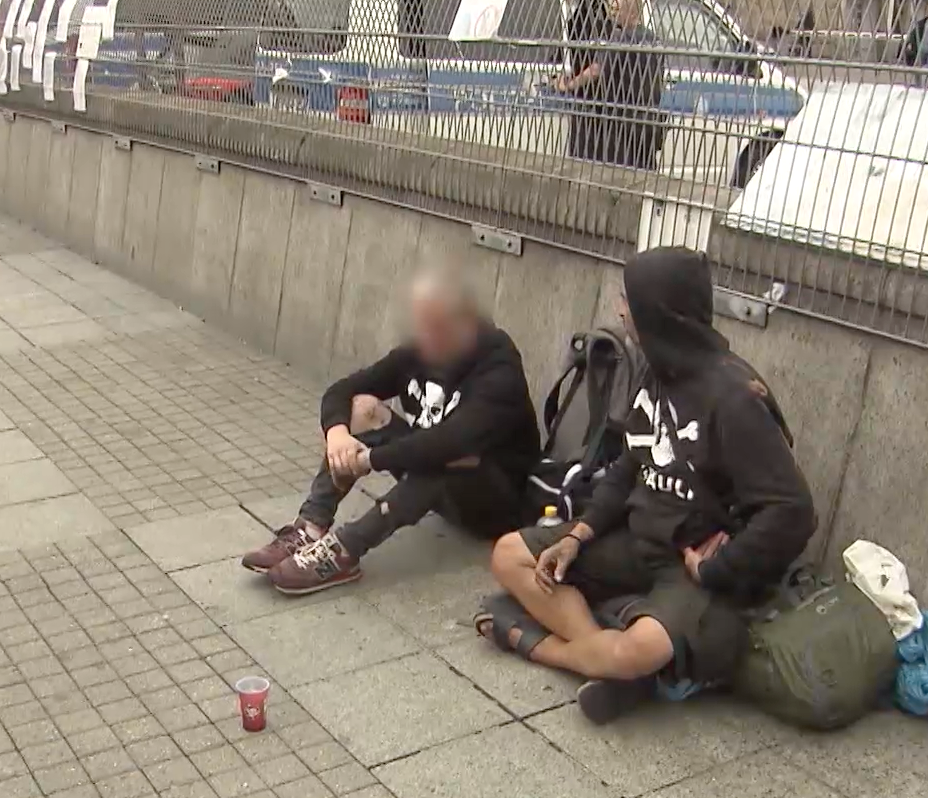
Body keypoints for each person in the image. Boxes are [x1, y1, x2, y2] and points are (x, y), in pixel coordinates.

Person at [478, 247, 817, 723]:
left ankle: (541, 644)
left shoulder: (734, 399)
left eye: (628, 301)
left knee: (635, 651)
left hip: (691, 567)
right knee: (509, 555)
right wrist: (578, 535)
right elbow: (627, 466)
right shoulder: (656, 372)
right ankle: (609, 662)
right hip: (638, 540)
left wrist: (717, 569)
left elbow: (793, 511)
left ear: (659, 314)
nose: (620, 310)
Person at [242, 268, 541, 595]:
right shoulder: (422, 349)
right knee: (362, 409)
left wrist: (370, 459)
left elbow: (451, 443)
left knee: (445, 458)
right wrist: (337, 435)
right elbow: (344, 390)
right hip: (443, 479)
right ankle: (310, 527)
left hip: (497, 505)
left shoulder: (498, 368)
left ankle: (344, 551)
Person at [554, 0, 666, 170]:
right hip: (646, 126)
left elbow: (596, 70)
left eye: (616, 8)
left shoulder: (620, 40)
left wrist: (568, 85)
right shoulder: (654, 41)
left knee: (618, 172)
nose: (612, 12)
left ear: (631, 10)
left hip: (621, 125)